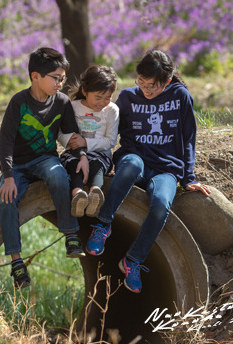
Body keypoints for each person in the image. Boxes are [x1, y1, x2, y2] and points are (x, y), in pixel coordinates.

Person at [86, 50, 210, 293]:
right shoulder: (128, 97)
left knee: (162, 204)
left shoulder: (181, 96)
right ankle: (103, 225)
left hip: (167, 167)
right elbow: (108, 128)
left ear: (167, 80)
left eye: (152, 86)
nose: (145, 89)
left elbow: (189, 139)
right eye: (140, 82)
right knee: (130, 165)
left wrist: (188, 178)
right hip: (136, 157)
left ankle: (133, 260)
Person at [0, 47, 89, 290]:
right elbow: (5, 143)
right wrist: (8, 177)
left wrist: (81, 155)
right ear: (35, 76)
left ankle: (70, 235)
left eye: (63, 78)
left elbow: (72, 134)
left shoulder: (61, 102)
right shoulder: (19, 102)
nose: (60, 83)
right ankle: (16, 261)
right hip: (17, 164)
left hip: (45, 159)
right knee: (6, 201)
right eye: (56, 78)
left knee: (59, 176)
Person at [59, 65, 119, 218]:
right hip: (75, 153)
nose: (102, 103)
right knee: (73, 166)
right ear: (85, 91)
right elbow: (61, 132)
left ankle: (94, 194)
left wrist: (85, 143)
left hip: (100, 154)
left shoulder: (112, 110)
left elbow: (110, 141)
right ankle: (78, 194)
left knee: (96, 165)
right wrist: (70, 141)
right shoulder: (73, 107)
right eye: (98, 97)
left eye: (107, 98)